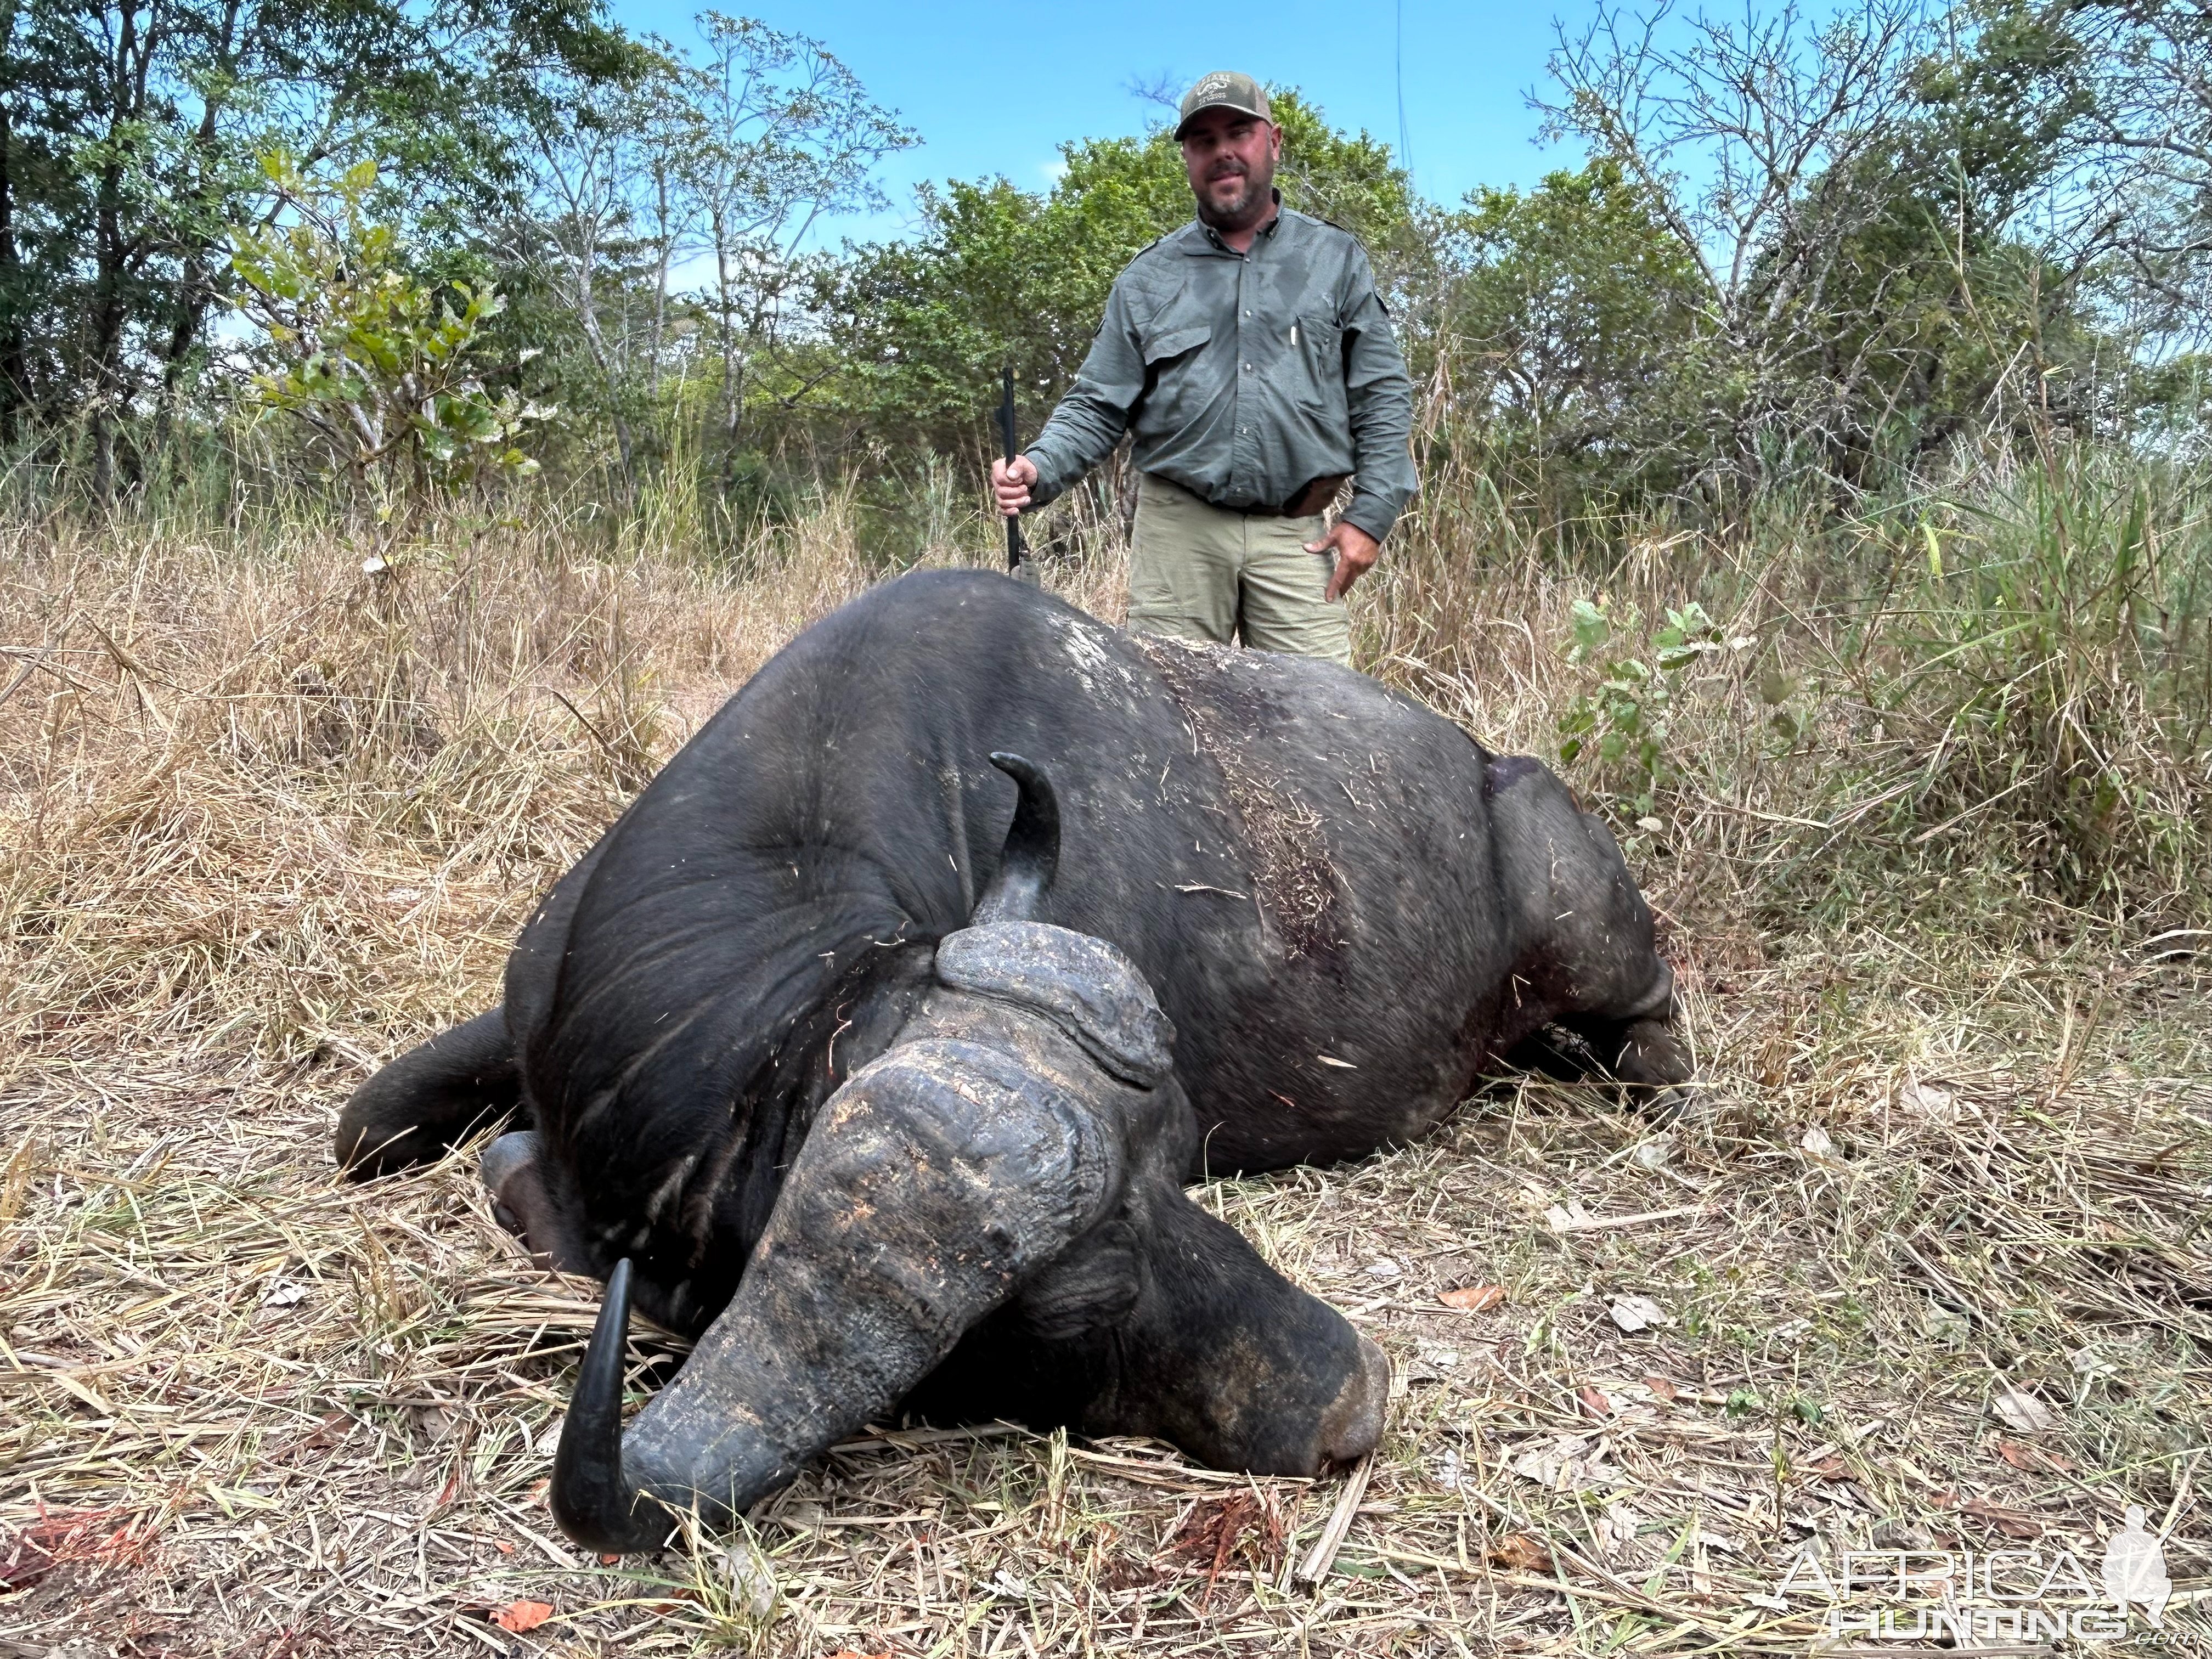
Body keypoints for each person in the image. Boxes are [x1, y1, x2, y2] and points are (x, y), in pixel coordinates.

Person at [992, 71, 1417, 667]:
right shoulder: (1147, 278)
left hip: (1297, 534)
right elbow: (1097, 404)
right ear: (1188, 158)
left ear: (1274, 141)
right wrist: (1037, 468)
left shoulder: (1336, 260)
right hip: (1178, 533)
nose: (1223, 152)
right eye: (1202, 141)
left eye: (1238, 132)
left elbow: (1382, 393)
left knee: (1324, 729)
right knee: (1170, 725)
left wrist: (1370, 516)